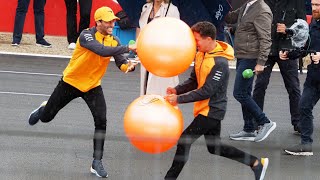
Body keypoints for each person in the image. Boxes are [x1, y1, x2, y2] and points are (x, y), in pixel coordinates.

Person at [27, 6, 137, 178]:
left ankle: (96, 162)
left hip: (92, 86)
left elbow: (120, 62)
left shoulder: (113, 40)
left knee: (101, 121)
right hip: (71, 83)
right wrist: (128, 48)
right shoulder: (86, 35)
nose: (112, 23)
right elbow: (101, 51)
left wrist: (128, 67)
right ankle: (43, 108)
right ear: (98, 22)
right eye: (108, 21)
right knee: (47, 117)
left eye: (113, 20)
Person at [164, 21, 269, 180]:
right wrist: (177, 89)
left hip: (212, 110)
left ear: (209, 39)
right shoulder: (201, 54)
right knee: (215, 148)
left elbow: (207, 91)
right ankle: (256, 163)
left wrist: (178, 99)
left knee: (184, 140)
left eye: (197, 40)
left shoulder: (220, 63)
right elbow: (194, 80)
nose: (195, 43)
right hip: (204, 109)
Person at [225, 0, 276, 142]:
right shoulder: (247, 5)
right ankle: (249, 129)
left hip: (251, 58)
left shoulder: (262, 10)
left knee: (239, 93)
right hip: (242, 55)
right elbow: (229, 18)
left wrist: (261, 63)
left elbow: (266, 39)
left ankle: (265, 122)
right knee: (246, 93)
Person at [252, 0, 307, 134]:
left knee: (293, 87)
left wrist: (288, 29)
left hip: (287, 50)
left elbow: (303, 27)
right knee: (260, 85)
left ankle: (298, 122)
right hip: (267, 50)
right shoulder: (263, 1)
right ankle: (256, 122)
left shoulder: (296, 2)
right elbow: (254, 22)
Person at [283, 0, 320, 156]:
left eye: (318, 5)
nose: (315, 8)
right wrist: (289, 54)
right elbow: (306, 47)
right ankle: (306, 146)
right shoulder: (313, 23)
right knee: (304, 107)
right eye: (313, 4)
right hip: (315, 77)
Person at [137, 0, 180, 96]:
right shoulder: (146, 7)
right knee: (146, 86)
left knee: (160, 89)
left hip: (163, 56)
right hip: (146, 54)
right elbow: (141, 28)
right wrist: (138, 44)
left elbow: (175, 33)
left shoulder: (172, 10)